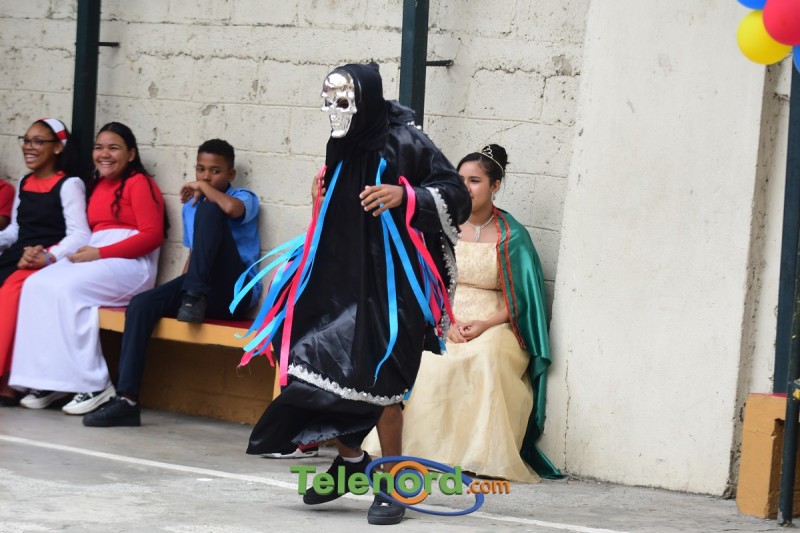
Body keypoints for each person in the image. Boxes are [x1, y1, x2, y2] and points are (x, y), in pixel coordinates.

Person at [238, 63, 470, 525]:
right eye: (329, 102)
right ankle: (350, 462)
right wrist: (319, 199)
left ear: (364, 100)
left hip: (392, 291)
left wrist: (405, 196)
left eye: (344, 101)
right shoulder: (340, 143)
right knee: (316, 369)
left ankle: (393, 484)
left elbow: (455, 194)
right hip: (340, 284)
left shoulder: (407, 141)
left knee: (381, 386)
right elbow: (338, 215)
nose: (335, 111)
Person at [364, 144, 561, 482]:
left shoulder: (512, 235)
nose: (466, 188)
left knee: (486, 358)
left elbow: (523, 299)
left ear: (495, 185)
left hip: (496, 321)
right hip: (445, 314)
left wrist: (485, 324)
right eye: (460, 180)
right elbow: (424, 279)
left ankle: (478, 456)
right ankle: (418, 451)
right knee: (428, 359)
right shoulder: (441, 224)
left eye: (475, 181)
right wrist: (444, 324)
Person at [82, 139, 261, 427]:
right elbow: (196, 254)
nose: (205, 177)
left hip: (235, 294)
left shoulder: (244, 197)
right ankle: (127, 400)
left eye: (215, 171)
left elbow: (232, 209)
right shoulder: (192, 205)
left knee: (211, 209)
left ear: (230, 174)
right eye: (200, 170)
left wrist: (203, 189)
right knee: (140, 304)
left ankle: (194, 295)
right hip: (199, 292)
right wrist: (182, 289)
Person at [9, 122, 165, 415]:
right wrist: (53, 254)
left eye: (113, 148)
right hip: (96, 255)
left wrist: (101, 252)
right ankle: (53, 379)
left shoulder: (139, 183)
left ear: (131, 154)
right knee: (36, 284)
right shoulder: (97, 185)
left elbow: (152, 236)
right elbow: (82, 233)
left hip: (132, 265)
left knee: (68, 290)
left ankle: (95, 384)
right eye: (99, 147)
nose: (104, 154)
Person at [0, 118, 91, 406]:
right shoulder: (24, 182)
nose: (29, 147)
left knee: (10, 292)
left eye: (38, 141)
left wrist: (49, 256)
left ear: (58, 147)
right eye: (26, 140)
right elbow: (17, 229)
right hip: (17, 255)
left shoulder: (69, 184)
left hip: (45, 260)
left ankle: (9, 379)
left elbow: (80, 234)